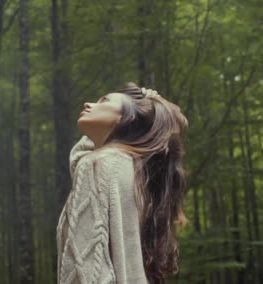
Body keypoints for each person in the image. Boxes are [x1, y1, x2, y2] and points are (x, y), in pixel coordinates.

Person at [56, 82, 189, 284]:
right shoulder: (134, 169)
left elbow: (88, 271)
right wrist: (153, 110)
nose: (88, 103)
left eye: (104, 100)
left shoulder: (97, 164)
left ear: (126, 119)